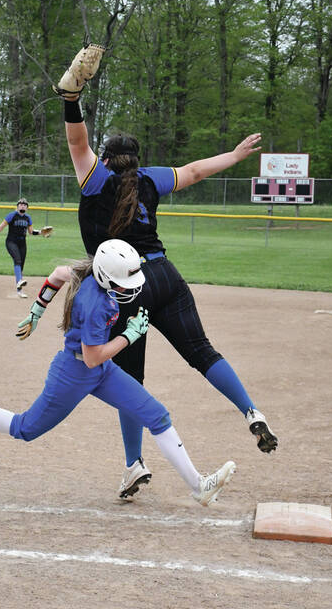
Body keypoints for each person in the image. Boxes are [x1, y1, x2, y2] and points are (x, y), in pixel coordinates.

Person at [51, 48, 278, 499]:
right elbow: (194, 171)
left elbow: (78, 144)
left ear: (108, 158)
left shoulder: (95, 178)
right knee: (202, 351)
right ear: (135, 159)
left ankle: (134, 463)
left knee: (129, 381)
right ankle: (251, 411)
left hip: (125, 288)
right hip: (165, 276)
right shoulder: (150, 179)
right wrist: (233, 156)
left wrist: (70, 97)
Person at [0, 239, 236, 506]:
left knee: (157, 415)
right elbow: (92, 358)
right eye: (122, 284)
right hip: (74, 373)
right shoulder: (94, 305)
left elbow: (56, 274)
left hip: (101, 370)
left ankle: (199, 486)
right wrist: (129, 336)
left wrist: (36, 311)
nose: (127, 289)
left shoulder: (87, 272)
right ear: (107, 278)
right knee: (24, 428)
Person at [0, 198, 46, 298]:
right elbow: (1, 227)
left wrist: (41, 232)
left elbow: (31, 232)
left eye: (25, 205)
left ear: (27, 208)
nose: (22, 206)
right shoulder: (12, 215)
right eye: (21, 204)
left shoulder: (28, 218)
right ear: (17, 206)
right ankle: (19, 282)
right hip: (11, 242)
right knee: (17, 260)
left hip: (22, 243)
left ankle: (19, 291)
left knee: (20, 266)